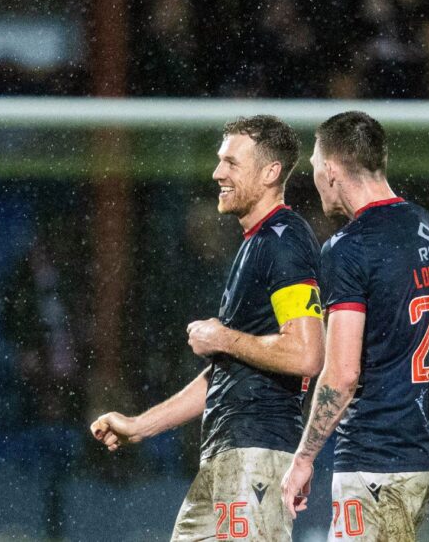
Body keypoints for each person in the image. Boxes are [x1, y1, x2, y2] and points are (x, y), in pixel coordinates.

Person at [280, 111, 429, 540]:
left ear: (331, 170)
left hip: (375, 464)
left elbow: (342, 374)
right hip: (427, 463)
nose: (313, 176)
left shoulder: (347, 249)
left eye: (314, 165)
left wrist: (303, 458)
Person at [90, 115, 324, 541]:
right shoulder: (257, 243)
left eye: (232, 163)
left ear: (271, 172)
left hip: (255, 454)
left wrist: (223, 337)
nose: (218, 173)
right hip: (229, 454)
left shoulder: (284, 241)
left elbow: (307, 353)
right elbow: (227, 371)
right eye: (220, 162)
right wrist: (139, 426)